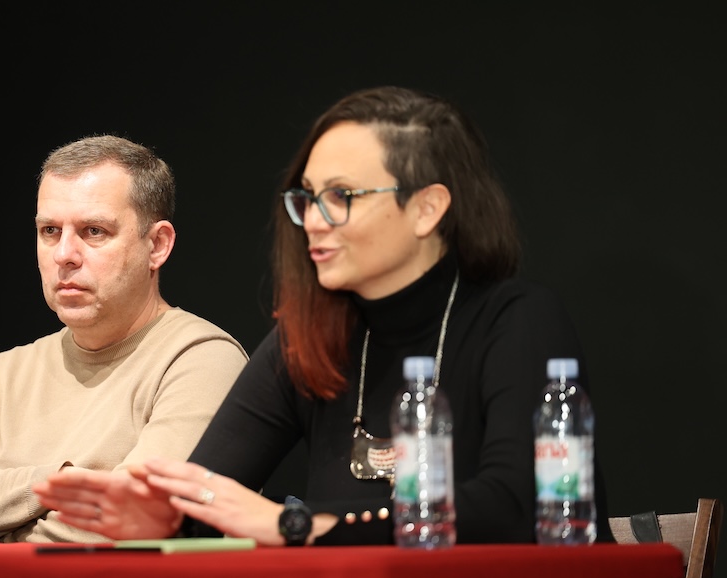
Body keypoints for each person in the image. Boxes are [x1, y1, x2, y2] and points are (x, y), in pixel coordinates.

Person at [32, 86, 612, 546]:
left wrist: (296, 524)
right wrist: (163, 518)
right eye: (308, 198)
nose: (312, 220)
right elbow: (206, 497)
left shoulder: (518, 320)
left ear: (427, 209)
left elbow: (516, 506)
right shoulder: (306, 338)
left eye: (341, 197)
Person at [0, 134, 248, 543]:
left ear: (157, 245)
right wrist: (54, 483)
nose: (64, 254)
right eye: (50, 231)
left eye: (94, 231)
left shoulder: (201, 360)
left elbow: (132, 523)